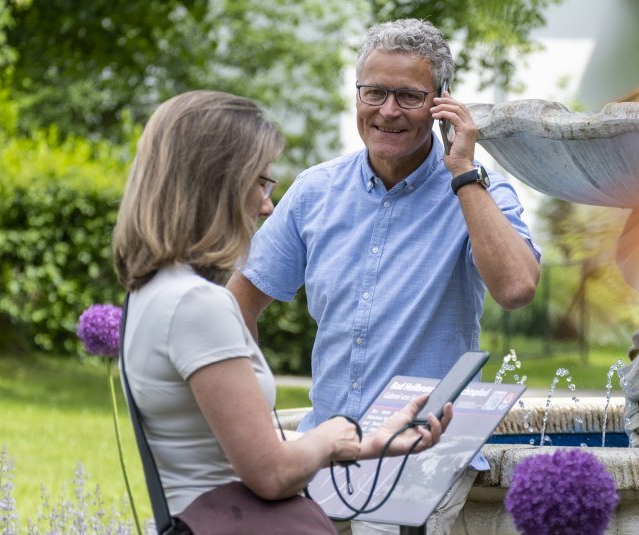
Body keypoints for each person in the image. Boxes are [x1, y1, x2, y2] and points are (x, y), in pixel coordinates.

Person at [228, 18, 541, 534]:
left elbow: (516, 289)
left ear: (441, 103)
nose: (387, 111)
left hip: (427, 453)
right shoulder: (314, 192)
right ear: (357, 94)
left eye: (409, 97)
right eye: (374, 92)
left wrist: (463, 170)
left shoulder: (477, 191)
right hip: (325, 448)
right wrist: (251, 408)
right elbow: (239, 304)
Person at [111, 90, 452, 532]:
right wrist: (330, 436)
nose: (267, 205)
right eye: (260, 182)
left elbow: (228, 444)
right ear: (217, 184)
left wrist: (367, 441)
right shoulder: (198, 305)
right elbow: (270, 474)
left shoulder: (154, 290)